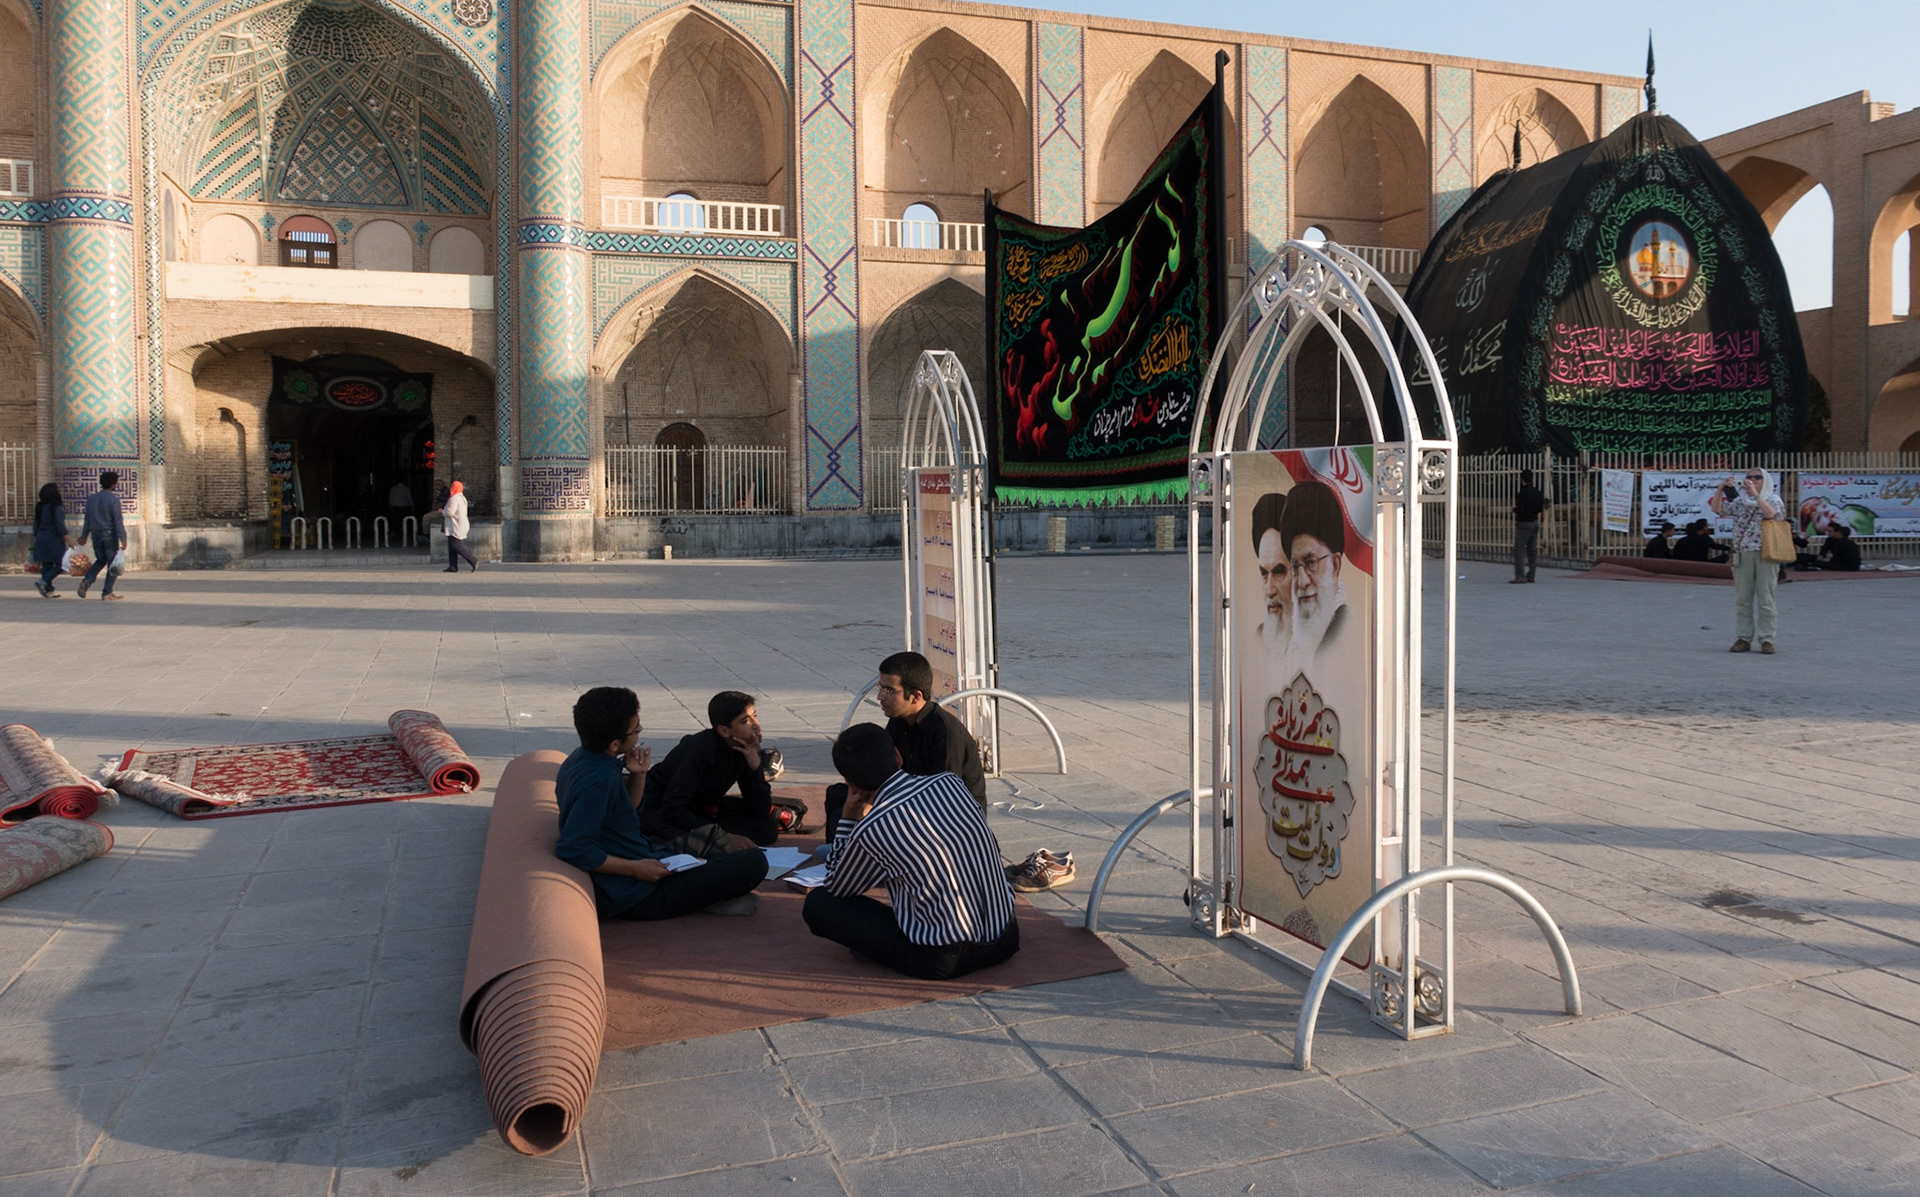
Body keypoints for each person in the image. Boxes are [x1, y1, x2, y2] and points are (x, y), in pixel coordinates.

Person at [802, 723, 1019, 980]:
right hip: (1007, 937)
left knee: (819, 905)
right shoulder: (950, 783)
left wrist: (849, 818)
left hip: (942, 959)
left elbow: (837, 886)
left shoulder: (874, 828)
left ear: (849, 782)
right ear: (897, 755)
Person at [555, 686, 766, 919]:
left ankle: (710, 893)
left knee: (726, 843)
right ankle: (706, 899)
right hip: (638, 892)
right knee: (754, 862)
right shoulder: (598, 780)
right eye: (636, 731)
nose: (639, 734)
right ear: (615, 743)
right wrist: (637, 869)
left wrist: (639, 775)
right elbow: (573, 849)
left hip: (648, 854)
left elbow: (628, 810)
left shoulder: (585, 758)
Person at [638, 690, 781, 852]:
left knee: (766, 828)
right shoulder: (700, 749)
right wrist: (722, 836)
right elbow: (673, 808)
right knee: (679, 840)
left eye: (755, 716)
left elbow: (759, 809)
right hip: (660, 807)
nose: (756, 725)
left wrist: (755, 767)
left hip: (699, 807)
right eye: (745, 721)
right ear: (724, 731)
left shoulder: (746, 747)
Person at [1708, 469, 1784, 654]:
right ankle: (1743, 637)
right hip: (1743, 553)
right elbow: (1718, 509)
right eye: (1749, 477)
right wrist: (1720, 489)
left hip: (1766, 553)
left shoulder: (1773, 499)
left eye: (1757, 477)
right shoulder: (1740, 502)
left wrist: (1756, 495)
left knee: (1766, 598)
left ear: (1764, 481)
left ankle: (1767, 639)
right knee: (1743, 599)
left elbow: (1770, 514)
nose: (1751, 480)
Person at [1281, 479, 1350, 661]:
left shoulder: (1347, 631)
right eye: (1295, 566)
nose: (1302, 581)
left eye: (1311, 563)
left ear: (1335, 565)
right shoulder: (1293, 639)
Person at [1250, 492, 1292, 656]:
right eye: (1264, 574)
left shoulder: (1325, 641)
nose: (1270, 590)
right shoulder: (1258, 639)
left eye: (1279, 572)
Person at [76, 471, 127, 601]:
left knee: (100, 560)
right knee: (113, 564)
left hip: (95, 534)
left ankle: (87, 580)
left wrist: (84, 536)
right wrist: (123, 538)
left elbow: (87, 520)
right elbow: (117, 521)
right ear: (113, 484)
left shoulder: (91, 499)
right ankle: (107, 592)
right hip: (109, 534)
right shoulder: (113, 500)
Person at [30, 483, 73, 598]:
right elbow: (60, 525)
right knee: (62, 564)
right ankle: (43, 581)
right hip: (53, 538)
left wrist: (37, 537)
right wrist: (68, 539)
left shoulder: (39, 507)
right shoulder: (56, 507)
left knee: (47, 564)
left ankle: (48, 590)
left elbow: (36, 525)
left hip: (41, 537)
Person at [1510, 468, 1548, 583]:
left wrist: (1515, 510)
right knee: (1532, 549)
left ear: (1521, 479)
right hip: (1534, 522)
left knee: (1519, 549)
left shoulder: (1522, 493)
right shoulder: (1537, 492)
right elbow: (1540, 507)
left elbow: (1521, 508)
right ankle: (1531, 574)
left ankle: (1520, 575)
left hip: (1524, 523)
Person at [442, 480, 477, 573]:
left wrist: (442, 511)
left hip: (455, 525)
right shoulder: (461, 497)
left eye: (452, 486)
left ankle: (473, 560)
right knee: (451, 546)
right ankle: (453, 566)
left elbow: (450, 512)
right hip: (458, 524)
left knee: (455, 545)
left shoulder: (454, 498)